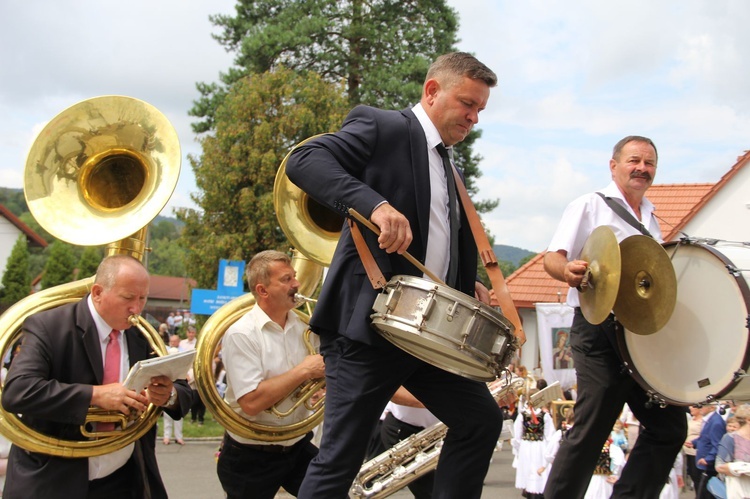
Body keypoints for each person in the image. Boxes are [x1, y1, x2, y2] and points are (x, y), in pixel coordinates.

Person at [285, 51, 504, 498]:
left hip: (425, 336)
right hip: (367, 330)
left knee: (480, 421)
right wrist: (376, 205)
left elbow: (435, 243)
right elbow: (304, 160)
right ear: (432, 91)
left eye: (480, 109)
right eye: (467, 104)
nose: (474, 117)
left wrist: (466, 284)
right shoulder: (382, 125)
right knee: (341, 458)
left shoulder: (449, 166)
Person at [542, 136, 687, 498]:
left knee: (669, 427)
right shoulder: (589, 205)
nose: (642, 168)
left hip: (639, 335)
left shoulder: (653, 216)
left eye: (649, 163)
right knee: (594, 425)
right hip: (597, 329)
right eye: (634, 160)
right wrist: (569, 271)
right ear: (614, 165)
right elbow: (551, 257)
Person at [0, 254, 192, 499]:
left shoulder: (141, 334)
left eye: (142, 298)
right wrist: (95, 395)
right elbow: (18, 391)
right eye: (128, 298)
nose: (137, 308)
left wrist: (169, 394)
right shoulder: (48, 326)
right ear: (98, 292)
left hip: (123, 480)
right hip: (54, 480)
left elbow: (183, 391)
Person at [216, 250, 325, 499]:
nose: (296, 284)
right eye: (286, 279)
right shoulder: (242, 333)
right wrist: (303, 371)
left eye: (294, 277)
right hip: (250, 455)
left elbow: (321, 373)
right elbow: (252, 402)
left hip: (295, 446)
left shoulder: (306, 328)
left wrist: (320, 387)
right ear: (263, 291)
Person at [379, 388, 440, 499]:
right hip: (406, 431)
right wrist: (445, 402)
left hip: (447, 429)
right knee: (432, 492)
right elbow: (394, 392)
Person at [714, 404, 750, 499]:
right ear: (748, 420)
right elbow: (719, 467)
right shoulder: (730, 438)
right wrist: (742, 468)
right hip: (739, 492)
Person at [694, 404, 727, 499]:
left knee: (706, 493)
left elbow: (717, 444)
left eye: (702, 406)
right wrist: (694, 442)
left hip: (709, 466)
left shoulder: (716, 422)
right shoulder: (710, 420)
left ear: (711, 407)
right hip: (702, 461)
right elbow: (705, 437)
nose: (700, 409)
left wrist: (708, 459)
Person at [162, 334, 185, 446]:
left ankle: (179, 437)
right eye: (171, 341)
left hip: (178, 385)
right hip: (168, 386)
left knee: (178, 414)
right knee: (167, 414)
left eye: (174, 341)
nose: (172, 343)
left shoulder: (183, 351)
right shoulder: (165, 350)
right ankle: (166, 437)